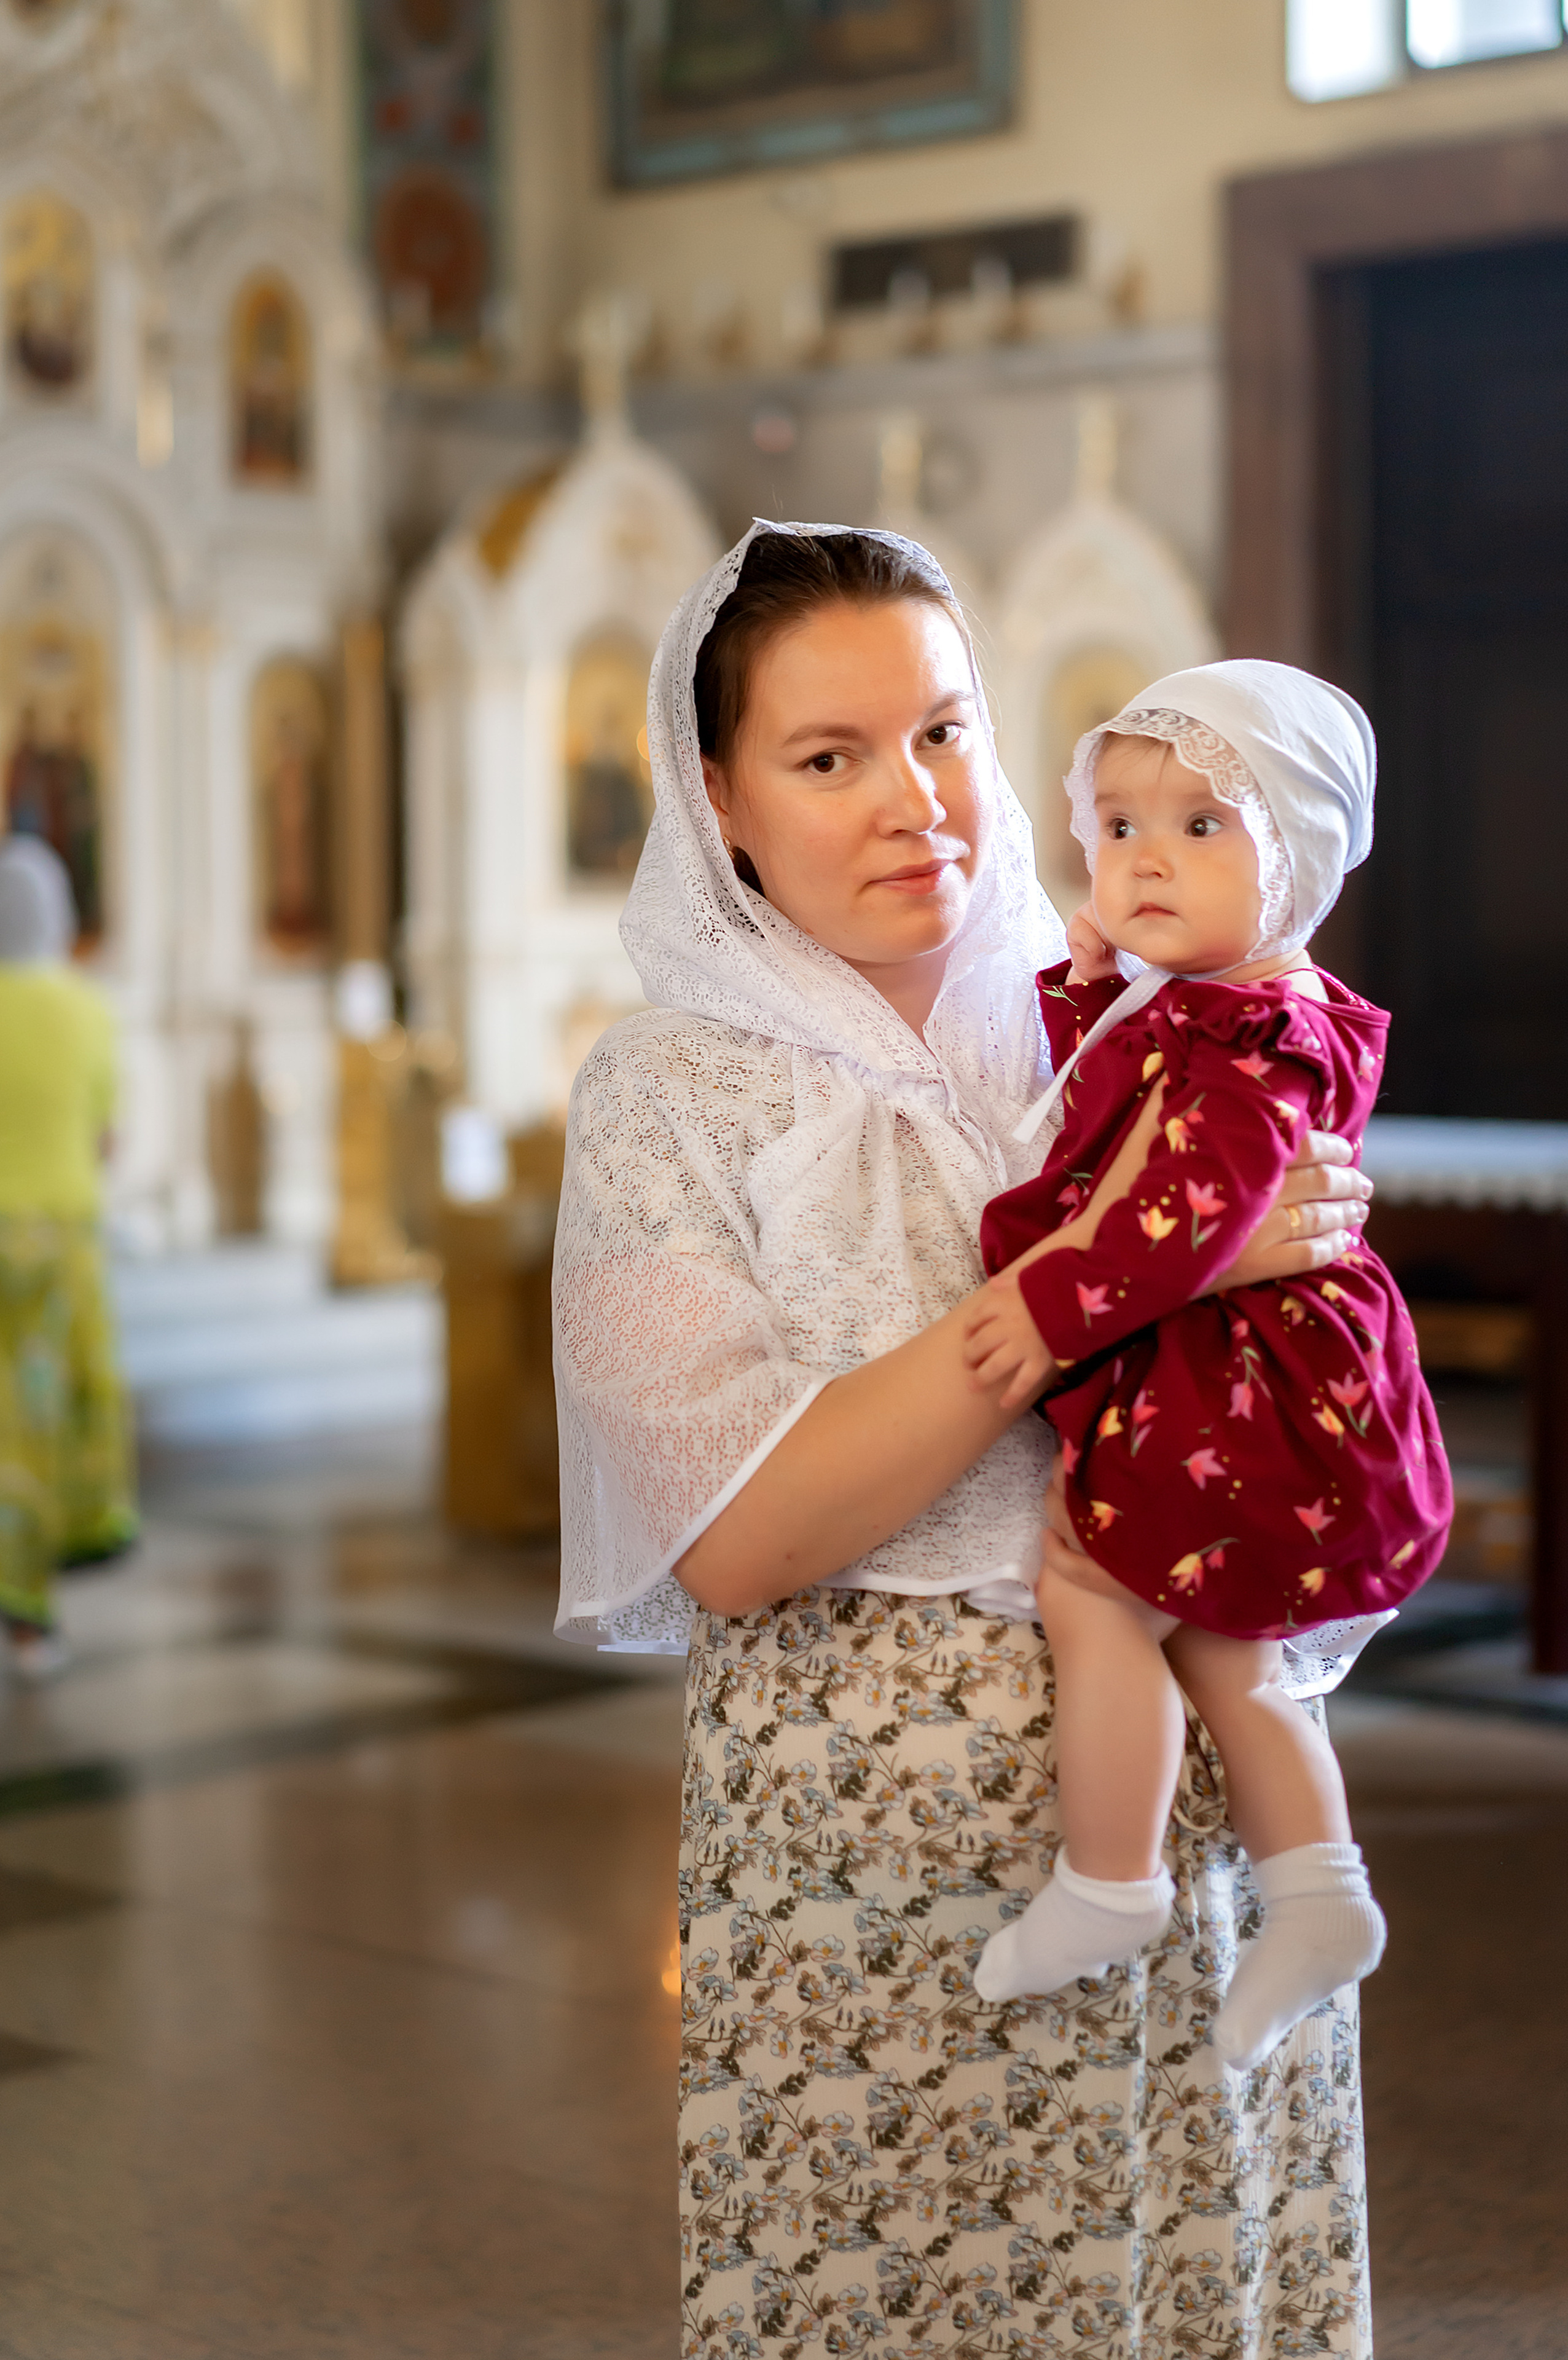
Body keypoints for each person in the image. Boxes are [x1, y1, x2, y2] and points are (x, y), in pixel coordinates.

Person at [554, 525, 1378, 2357]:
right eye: (827, 756)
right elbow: (740, 1540)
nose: (912, 800)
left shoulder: (1139, 1010)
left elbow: (1297, 1378)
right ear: (718, 799)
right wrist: (1121, 1271)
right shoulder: (662, 1098)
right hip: (869, 1865)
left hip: (1198, 1843)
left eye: (941, 731)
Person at [961, 664, 1452, 2067]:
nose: (1144, 860)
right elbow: (1107, 1106)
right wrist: (1085, 992)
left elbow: (1189, 1205)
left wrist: (1053, 1304)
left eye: (1199, 826)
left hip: (1249, 1373)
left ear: (1294, 858)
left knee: (1092, 1587)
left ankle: (1109, 1880)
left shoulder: (1256, 1035)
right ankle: (1321, 1892)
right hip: (1240, 1365)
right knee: (1226, 1642)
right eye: (1118, 827)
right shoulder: (1215, 1002)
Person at [0, 836, 137, 1680]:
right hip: (62, 1246)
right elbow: (105, 1140)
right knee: (41, 1430)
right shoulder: (88, 1010)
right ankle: (30, 1617)